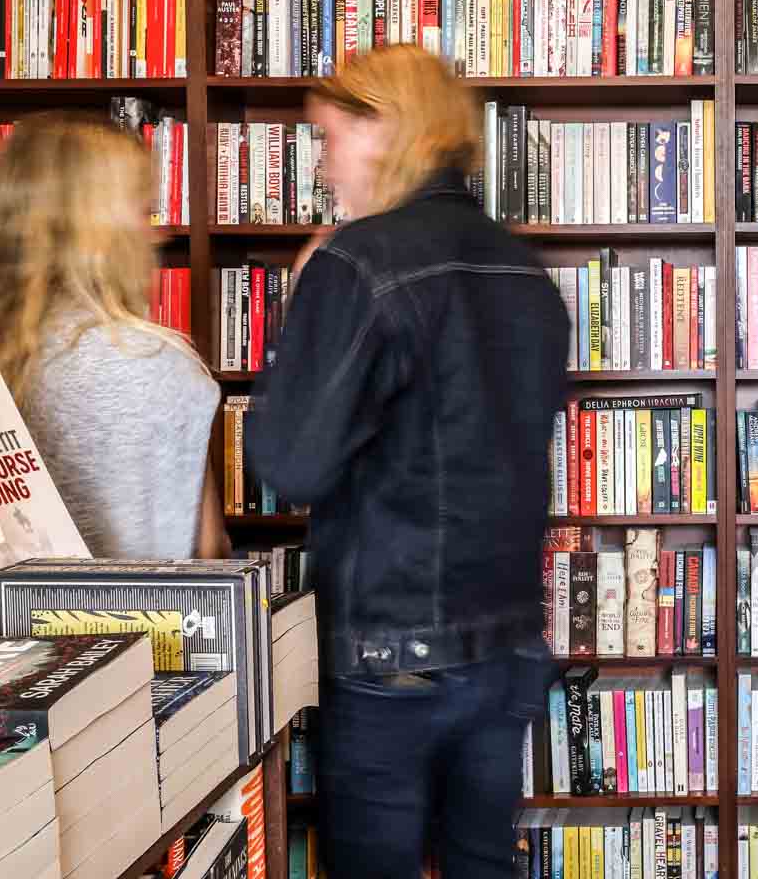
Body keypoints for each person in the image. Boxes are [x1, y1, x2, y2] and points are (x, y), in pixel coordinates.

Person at [244, 45, 570, 879]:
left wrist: (303, 302)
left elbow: (289, 460)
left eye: (329, 139)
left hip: (393, 653)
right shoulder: (526, 275)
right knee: (481, 864)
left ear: (385, 129)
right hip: (507, 644)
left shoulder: (357, 263)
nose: (322, 170)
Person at [0, 114, 227, 559]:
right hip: (144, 623)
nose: (158, 234)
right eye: (143, 212)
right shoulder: (158, 364)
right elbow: (207, 552)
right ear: (100, 230)